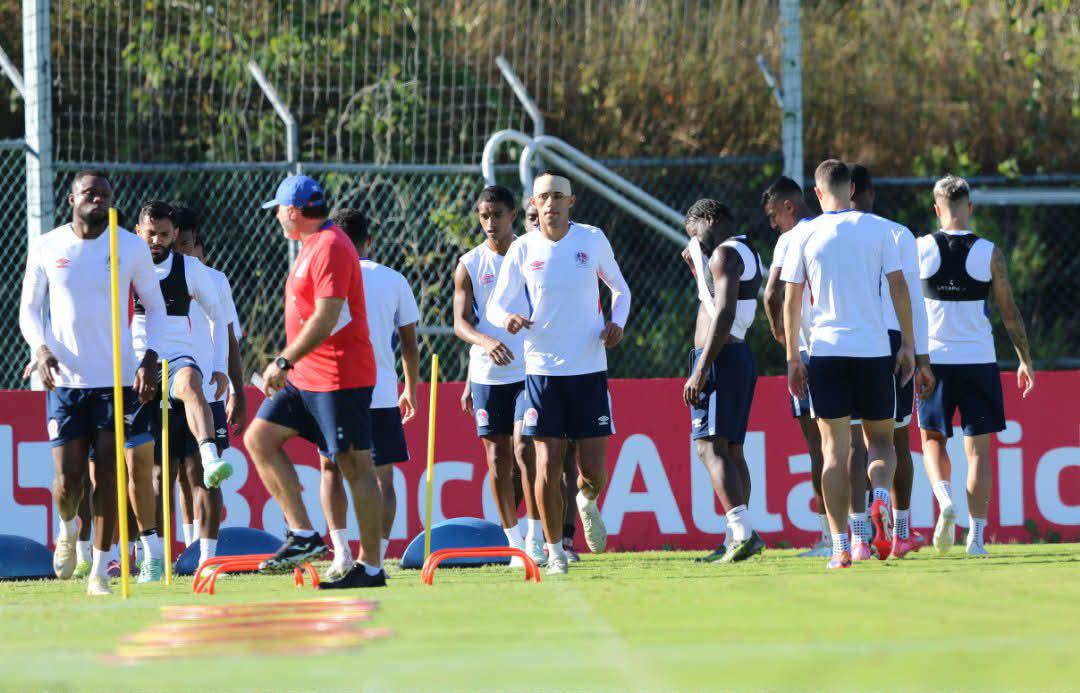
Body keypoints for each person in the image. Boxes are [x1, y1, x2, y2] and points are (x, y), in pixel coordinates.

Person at [19, 170, 167, 595]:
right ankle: (68, 528)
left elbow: (154, 308)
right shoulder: (48, 246)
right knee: (68, 484)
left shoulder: (130, 245)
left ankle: (101, 570)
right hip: (66, 381)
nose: (97, 199)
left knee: (108, 479)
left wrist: (150, 359)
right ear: (72, 200)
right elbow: (29, 309)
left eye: (104, 194)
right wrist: (41, 348)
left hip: (116, 382)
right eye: (89, 193)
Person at [487, 170, 631, 575]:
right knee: (546, 464)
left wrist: (617, 322)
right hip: (542, 372)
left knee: (593, 472)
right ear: (533, 204)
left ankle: (587, 501)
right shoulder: (522, 249)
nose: (550, 203)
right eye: (542, 197)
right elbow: (497, 305)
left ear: (571, 202)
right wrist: (509, 318)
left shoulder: (592, 239)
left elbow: (620, 289)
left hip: (589, 369)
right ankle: (553, 552)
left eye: (557, 196)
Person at [245, 175, 385, 589]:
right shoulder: (312, 244)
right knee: (259, 439)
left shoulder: (330, 245)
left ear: (292, 212)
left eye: (278, 210)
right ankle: (304, 534)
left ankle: (371, 568)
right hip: (308, 378)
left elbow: (326, 317)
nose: (275, 217)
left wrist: (283, 360)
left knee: (355, 466)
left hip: (338, 376)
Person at [780, 159, 916, 569]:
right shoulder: (879, 229)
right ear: (852, 189)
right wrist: (907, 345)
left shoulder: (804, 233)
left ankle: (842, 546)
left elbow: (791, 300)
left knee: (834, 454)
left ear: (817, 193)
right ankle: (878, 496)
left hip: (826, 352)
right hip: (874, 351)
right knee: (882, 444)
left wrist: (791, 357)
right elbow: (898, 287)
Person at [917, 175, 1035, 556]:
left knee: (933, 439)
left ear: (937, 209)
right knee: (978, 451)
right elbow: (1009, 311)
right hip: (979, 360)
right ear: (970, 208)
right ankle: (977, 537)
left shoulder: (920, 249)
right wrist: (1024, 360)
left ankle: (945, 500)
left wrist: (910, 357)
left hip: (934, 361)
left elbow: (906, 308)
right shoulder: (989, 252)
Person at [320, 208, 420, 580]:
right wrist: (409, 387)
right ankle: (372, 555)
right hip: (379, 391)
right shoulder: (393, 279)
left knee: (331, 468)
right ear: (369, 240)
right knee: (382, 477)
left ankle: (342, 553)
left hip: (333, 389)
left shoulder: (323, 273)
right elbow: (410, 344)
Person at [455, 186, 545, 565]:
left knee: (525, 449)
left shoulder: (535, 254)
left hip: (530, 368)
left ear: (513, 215)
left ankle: (537, 537)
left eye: (497, 215)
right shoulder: (469, 263)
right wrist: (485, 343)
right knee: (497, 460)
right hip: (488, 374)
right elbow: (460, 323)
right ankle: (513, 542)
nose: (490, 223)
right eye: (483, 216)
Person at [849, 164, 934, 559]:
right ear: (871, 190)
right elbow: (912, 297)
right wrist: (919, 355)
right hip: (892, 338)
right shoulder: (897, 233)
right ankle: (900, 531)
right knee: (895, 438)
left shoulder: (822, 233)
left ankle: (858, 536)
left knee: (849, 445)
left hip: (842, 342)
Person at [682, 199, 766, 563]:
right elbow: (715, 301)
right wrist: (697, 270)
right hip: (734, 356)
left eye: (695, 233)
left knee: (708, 447)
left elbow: (725, 313)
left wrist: (701, 370)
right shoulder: (745, 251)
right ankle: (737, 535)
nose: (695, 242)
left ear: (709, 220)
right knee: (731, 450)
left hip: (719, 358)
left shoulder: (725, 255)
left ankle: (744, 532)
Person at [760, 176, 831, 557]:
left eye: (774, 216)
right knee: (854, 444)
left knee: (818, 447)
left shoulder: (791, 239)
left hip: (807, 353)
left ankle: (828, 535)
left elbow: (772, 293)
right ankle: (862, 528)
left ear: (789, 207)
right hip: (849, 348)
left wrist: (781, 336)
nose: (773, 225)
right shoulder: (831, 229)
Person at [171, 207, 245, 568]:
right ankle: (182, 552)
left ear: (201, 249)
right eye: (176, 244)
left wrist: (238, 391)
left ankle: (207, 558)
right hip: (169, 389)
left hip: (210, 393)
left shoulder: (215, 281)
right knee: (177, 476)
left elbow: (230, 337)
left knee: (207, 477)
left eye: (188, 245)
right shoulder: (154, 276)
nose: (182, 253)